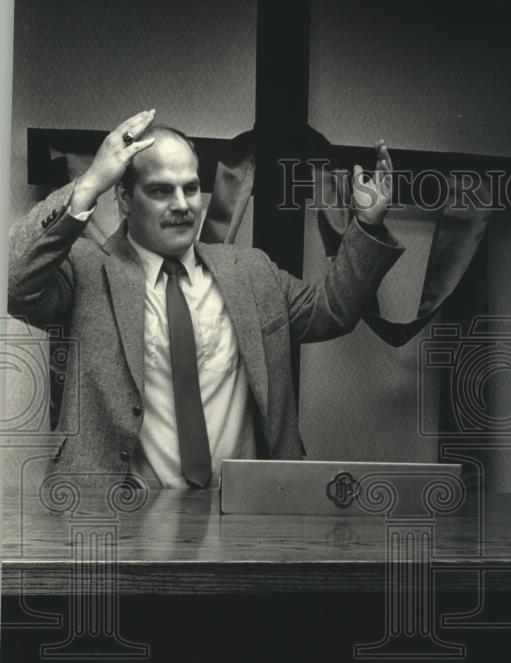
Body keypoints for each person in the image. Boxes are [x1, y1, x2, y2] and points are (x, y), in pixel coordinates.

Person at [8, 109, 402, 486]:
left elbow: (333, 309)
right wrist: (91, 183)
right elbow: (13, 280)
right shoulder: (87, 272)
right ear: (125, 200)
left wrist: (367, 223)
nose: (181, 205)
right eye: (161, 190)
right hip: (122, 520)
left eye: (191, 188)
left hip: (245, 516)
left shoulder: (251, 271)